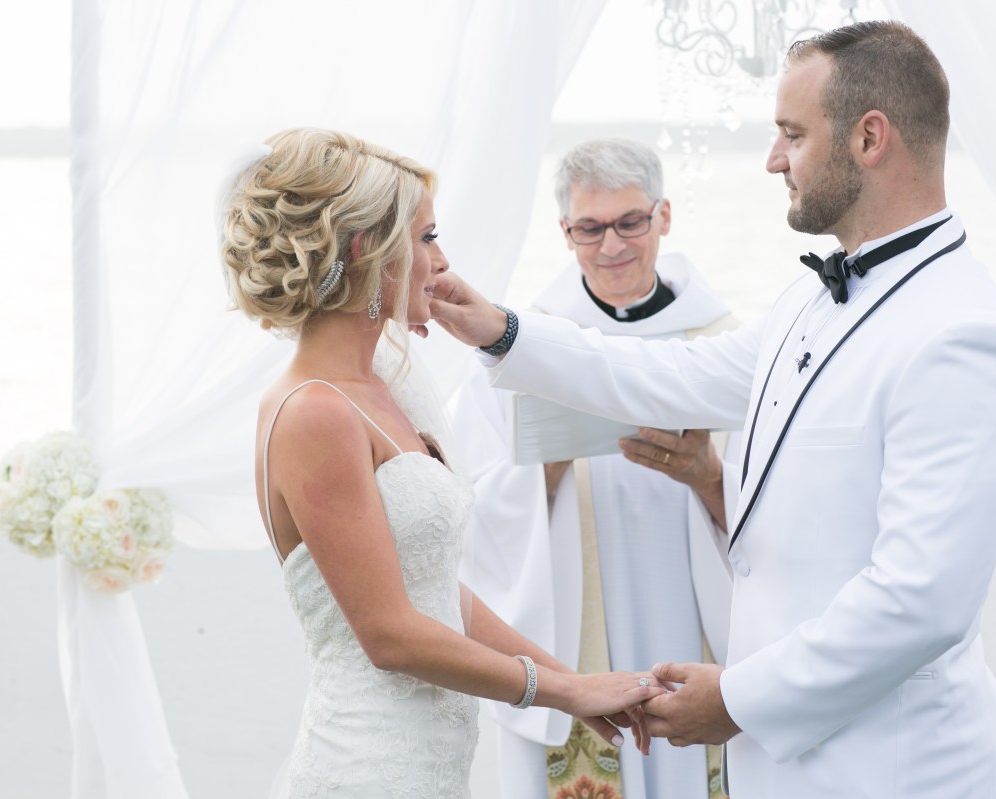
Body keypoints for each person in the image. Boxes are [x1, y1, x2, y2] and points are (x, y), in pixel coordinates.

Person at [429, 21, 996, 799]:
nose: (773, 158)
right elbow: (668, 372)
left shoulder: (961, 333)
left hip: (894, 771)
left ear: (870, 138)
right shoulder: (808, 301)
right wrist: (502, 330)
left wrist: (738, 698)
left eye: (792, 134)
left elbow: (920, 601)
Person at [219, 128, 663, 798]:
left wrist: (573, 685)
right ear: (370, 251)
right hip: (366, 768)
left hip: (431, 767)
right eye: (426, 238)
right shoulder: (315, 411)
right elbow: (391, 635)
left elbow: (435, 591)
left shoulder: (385, 382)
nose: (442, 259)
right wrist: (562, 690)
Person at [452, 138, 737, 799]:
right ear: (565, 231)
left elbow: (779, 504)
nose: (611, 245)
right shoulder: (520, 348)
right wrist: (545, 468)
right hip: (574, 626)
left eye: (630, 222)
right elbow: (469, 512)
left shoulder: (721, 344)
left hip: (696, 615)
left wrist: (707, 475)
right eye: (590, 228)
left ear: (664, 216)